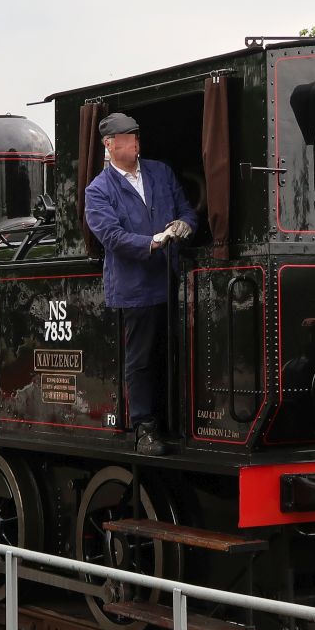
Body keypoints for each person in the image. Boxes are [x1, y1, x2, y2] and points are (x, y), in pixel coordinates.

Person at [82, 111, 198, 456]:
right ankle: (144, 427)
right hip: (136, 286)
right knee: (142, 360)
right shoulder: (98, 190)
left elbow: (187, 210)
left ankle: (178, 421)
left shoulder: (160, 172)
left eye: (136, 136)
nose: (136, 143)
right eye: (128, 138)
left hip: (173, 280)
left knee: (177, 354)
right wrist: (150, 243)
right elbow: (111, 236)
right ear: (109, 144)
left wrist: (183, 225)